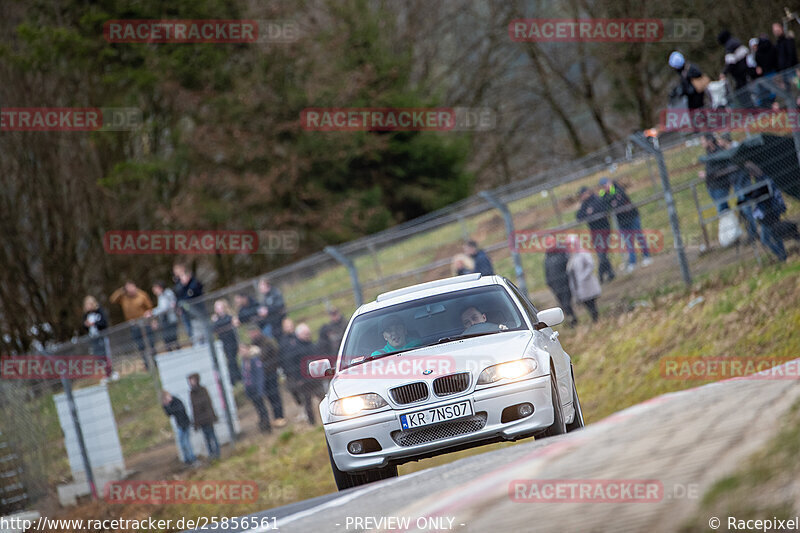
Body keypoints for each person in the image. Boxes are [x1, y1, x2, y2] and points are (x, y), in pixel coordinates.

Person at [598, 178, 652, 273]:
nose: (605, 187)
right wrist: (611, 203)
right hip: (621, 221)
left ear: (610, 183)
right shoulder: (603, 194)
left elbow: (620, 200)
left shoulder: (617, 188)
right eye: (603, 186)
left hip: (632, 217)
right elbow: (604, 206)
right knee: (628, 242)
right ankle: (632, 262)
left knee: (639, 237)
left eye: (606, 184)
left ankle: (647, 256)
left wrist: (611, 203)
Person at [280, 323, 325, 424]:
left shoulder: (312, 345)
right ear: (299, 335)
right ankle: (312, 422)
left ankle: (327, 418)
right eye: (305, 334)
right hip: (304, 380)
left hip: (315, 378)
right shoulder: (294, 349)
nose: (308, 336)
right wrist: (298, 379)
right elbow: (291, 366)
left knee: (323, 398)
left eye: (309, 334)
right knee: (307, 403)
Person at [110, 281, 156, 369]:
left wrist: (152, 320)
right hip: (133, 325)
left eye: (132, 287)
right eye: (128, 288)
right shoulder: (124, 298)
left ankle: (154, 361)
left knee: (150, 342)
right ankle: (146, 364)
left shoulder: (142, 295)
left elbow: (150, 307)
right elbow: (112, 299)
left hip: (144, 322)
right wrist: (121, 290)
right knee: (140, 345)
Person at [247, 326, 287, 427]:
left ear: (257, 331)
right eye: (250, 333)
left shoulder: (267, 342)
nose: (252, 335)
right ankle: (273, 419)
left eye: (253, 332)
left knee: (275, 396)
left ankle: (280, 417)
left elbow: (274, 355)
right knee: (269, 397)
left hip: (271, 373)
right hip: (261, 376)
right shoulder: (252, 345)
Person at [576, 186, 615, 283]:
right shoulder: (584, 204)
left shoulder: (597, 199)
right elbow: (579, 216)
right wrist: (586, 211)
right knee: (601, 254)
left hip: (604, 230)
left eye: (583, 194)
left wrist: (590, 213)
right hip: (594, 232)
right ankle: (610, 273)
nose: (582, 197)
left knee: (602, 253)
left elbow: (601, 210)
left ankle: (600, 275)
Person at [566, 237, 602, 323]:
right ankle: (595, 320)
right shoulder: (572, 257)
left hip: (588, 284)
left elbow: (591, 265)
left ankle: (596, 320)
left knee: (591, 304)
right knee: (586, 304)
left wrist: (583, 276)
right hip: (578, 287)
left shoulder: (583, 253)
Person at [240, 345, 271, 433]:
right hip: (250, 389)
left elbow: (259, 375)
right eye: (240, 351)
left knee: (262, 407)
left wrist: (260, 389)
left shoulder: (254, 360)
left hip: (257, 388)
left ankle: (267, 425)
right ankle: (262, 423)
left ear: (247, 349)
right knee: (257, 408)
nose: (242, 352)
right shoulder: (243, 362)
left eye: (243, 350)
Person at [188, 373, 220, 459]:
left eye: (192, 380)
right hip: (201, 420)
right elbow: (193, 409)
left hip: (207, 418)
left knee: (212, 436)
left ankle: (217, 453)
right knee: (206, 438)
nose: (191, 383)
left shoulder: (203, 390)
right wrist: (195, 422)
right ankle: (211, 454)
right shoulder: (191, 393)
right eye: (190, 381)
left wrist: (212, 416)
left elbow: (208, 404)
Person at [82, 296, 115, 380]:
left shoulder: (100, 311)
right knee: (99, 357)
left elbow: (104, 322)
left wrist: (94, 324)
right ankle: (106, 374)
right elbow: (84, 326)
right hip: (94, 338)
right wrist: (86, 325)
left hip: (102, 336)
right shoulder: (86, 315)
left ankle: (111, 372)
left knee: (106, 354)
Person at [161, 390, 196, 465]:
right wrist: (165, 406)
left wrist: (169, 406)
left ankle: (192, 458)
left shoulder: (176, 401)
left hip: (184, 424)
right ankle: (187, 459)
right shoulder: (170, 404)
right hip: (180, 425)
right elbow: (169, 413)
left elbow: (179, 411)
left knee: (186, 443)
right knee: (182, 443)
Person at [544, 249, 578, 327]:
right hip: (555, 286)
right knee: (563, 304)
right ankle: (571, 319)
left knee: (566, 304)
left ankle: (572, 319)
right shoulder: (547, 259)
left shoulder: (562, 255)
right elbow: (547, 272)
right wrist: (550, 283)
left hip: (565, 284)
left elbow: (568, 268)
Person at [211, 299, 241, 384]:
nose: (218, 309)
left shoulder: (229, 316)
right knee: (230, 360)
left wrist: (217, 322)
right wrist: (215, 322)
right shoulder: (216, 319)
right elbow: (214, 328)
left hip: (231, 341)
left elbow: (227, 322)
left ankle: (235, 378)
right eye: (216, 307)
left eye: (219, 306)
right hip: (223, 342)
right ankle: (236, 377)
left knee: (232, 360)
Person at [173, 263, 204, 345]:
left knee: (199, 326)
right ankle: (195, 341)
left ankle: (202, 341)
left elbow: (196, 291)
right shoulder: (178, 283)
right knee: (190, 328)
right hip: (185, 311)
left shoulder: (192, 281)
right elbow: (179, 296)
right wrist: (177, 306)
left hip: (196, 309)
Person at [151, 281, 179, 352]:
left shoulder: (166, 294)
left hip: (170, 318)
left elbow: (164, 307)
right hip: (165, 319)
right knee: (167, 337)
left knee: (172, 336)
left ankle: (176, 350)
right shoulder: (160, 295)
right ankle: (170, 350)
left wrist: (152, 312)